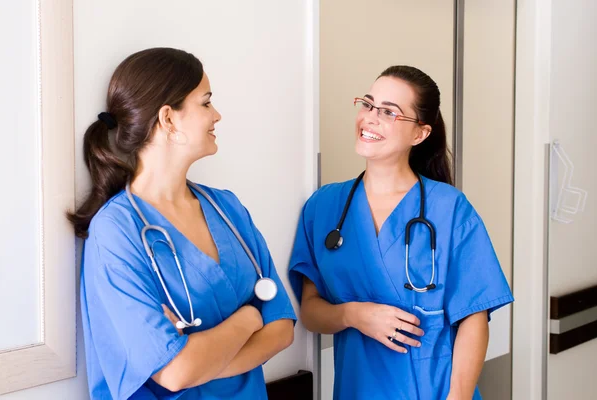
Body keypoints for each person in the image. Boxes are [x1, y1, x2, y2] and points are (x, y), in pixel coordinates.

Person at [68, 47, 296, 400]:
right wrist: (249, 319)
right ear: (168, 119)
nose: (217, 115)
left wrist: (198, 359)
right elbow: (174, 372)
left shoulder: (227, 209)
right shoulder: (116, 231)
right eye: (206, 103)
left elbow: (282, 329)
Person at [288, 65, 514, 399]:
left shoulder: (448, 207)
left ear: (419, 134)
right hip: (357, 388)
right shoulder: (324, 207)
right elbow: (310, 310)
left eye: (389, 112)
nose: (370, 118)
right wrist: (354, 314)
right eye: (367, 104)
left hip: (435, 389)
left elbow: (474, 317)